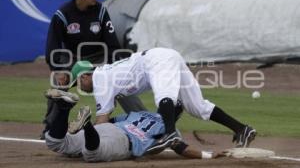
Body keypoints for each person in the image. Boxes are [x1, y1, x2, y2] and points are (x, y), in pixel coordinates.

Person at [70, 48, 257, 152]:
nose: (79, 87)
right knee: (197, 106)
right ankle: (242, 129)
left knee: (164, 97)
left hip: (156, 60)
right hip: (167, 56)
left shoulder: (99, 79)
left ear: (85, 76)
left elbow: (102, 120)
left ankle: (170, 135)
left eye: (78, 82)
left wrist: (83, 140)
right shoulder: (105, 75)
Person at [42, 0, 146, 139]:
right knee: (58, 84)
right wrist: (58, 70)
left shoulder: (101, 11)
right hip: (75, 60)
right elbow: (53, 46)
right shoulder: (62, 14)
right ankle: (50, 127)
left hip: (99, 57)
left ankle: (144, 121)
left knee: (120, 81)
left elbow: (112, 44)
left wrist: (117, 68)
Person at [44, 89, 227, 162]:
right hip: (123, 142)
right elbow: (180, 148)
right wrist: (207, 155)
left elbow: (110, 122)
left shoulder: (142, 114)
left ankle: (63, 108)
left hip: (108, 129)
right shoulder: (171, 130)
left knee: (57, 143)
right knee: (92, 155)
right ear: (177, 115)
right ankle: (87, 126)